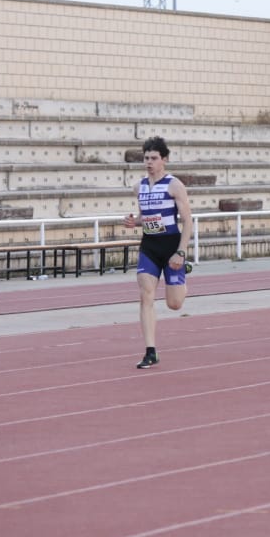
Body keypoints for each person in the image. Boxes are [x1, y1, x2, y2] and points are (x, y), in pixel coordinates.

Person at [123, 136, 192, 369]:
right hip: (149, 247)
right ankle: (150, 351)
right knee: (146, 295)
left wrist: (181, 253)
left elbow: (188, 221)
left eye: (154, 158)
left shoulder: (174, 185)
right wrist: (136, 223)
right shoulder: (139, 186)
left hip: (172, 247)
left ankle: (183, 273)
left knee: (174, 304)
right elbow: (147, 217)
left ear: (164, 160)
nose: (149, 162)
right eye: (146, 158)